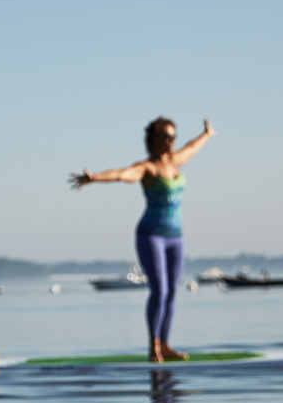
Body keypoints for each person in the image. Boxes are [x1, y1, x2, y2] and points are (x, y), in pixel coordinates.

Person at [70, 117, 216, 362]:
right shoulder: (147, 168)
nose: (171, 142)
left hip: (175, 238)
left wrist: (207, 134)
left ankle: (166, 344)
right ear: (154, 140)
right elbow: (122, 174)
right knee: (159, 291)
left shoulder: (176, 161)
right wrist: (95, 178)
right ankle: (154, 346)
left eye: (173, 137)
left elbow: (192, 147)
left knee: (172, 293)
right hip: (151, 235)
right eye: (166, 137)